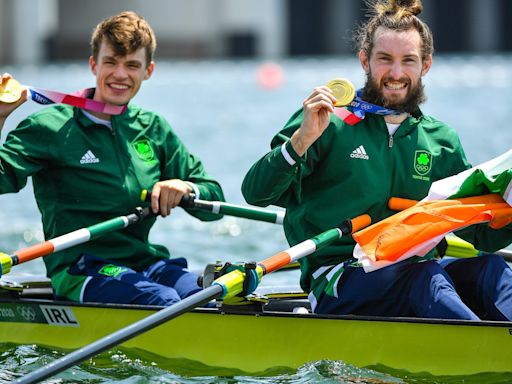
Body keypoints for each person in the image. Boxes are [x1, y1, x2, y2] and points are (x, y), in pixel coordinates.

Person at [242, 0, 512, 320]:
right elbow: (256, 193)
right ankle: (479, 353)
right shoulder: (328, 123)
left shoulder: (441, 141)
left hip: (415, 271)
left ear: (425, 65)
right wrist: (302, 139)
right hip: (340, 277)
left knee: (492, 270)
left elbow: (482, 237)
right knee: (426, 279)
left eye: (407, 61)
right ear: (364, 61)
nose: (396, 73)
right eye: (385, 59)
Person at [0, 11, 225, 306]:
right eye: (111, 62)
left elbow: (215, 204)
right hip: (81, 267)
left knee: (206, 297)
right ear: (94, 64)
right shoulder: (49, 127)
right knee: (164, 299)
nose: (120, 74)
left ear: (148, 71)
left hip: (146, 262)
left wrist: (186, 188)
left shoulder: (153, 128)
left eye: (132, 65)